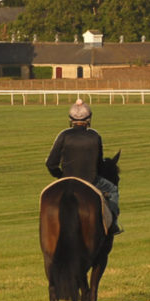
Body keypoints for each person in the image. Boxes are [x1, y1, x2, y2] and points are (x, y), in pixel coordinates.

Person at [46, 99, 122, 235]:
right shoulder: (95, 136)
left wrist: (60, 176)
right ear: (89, 119)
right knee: (113, 189)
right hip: (91, 181)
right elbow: (99, 165)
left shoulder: (63, 135)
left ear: (70, 119)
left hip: (67, 181)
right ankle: (113, 224)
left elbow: (50, 164)